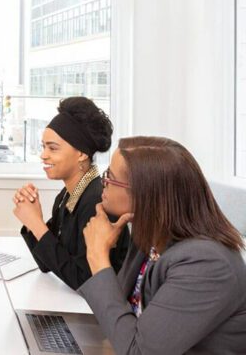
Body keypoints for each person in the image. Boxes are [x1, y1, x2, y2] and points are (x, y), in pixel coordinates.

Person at [81, 136, 246, 354]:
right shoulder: (149, 237)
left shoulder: (206, 265)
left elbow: (138, 351)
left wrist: (98, 257)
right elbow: (119, 317)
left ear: (144, 194)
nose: (104, 183)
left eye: (110, 177)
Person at [12, 97, 130, 290]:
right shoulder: (67, 196)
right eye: (43, 147)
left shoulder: (97, 202)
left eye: (53, 148)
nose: (43, 155)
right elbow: (47, 263)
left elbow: (85, 281)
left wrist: (36, 223)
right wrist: (33, 220)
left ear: (82, 154)